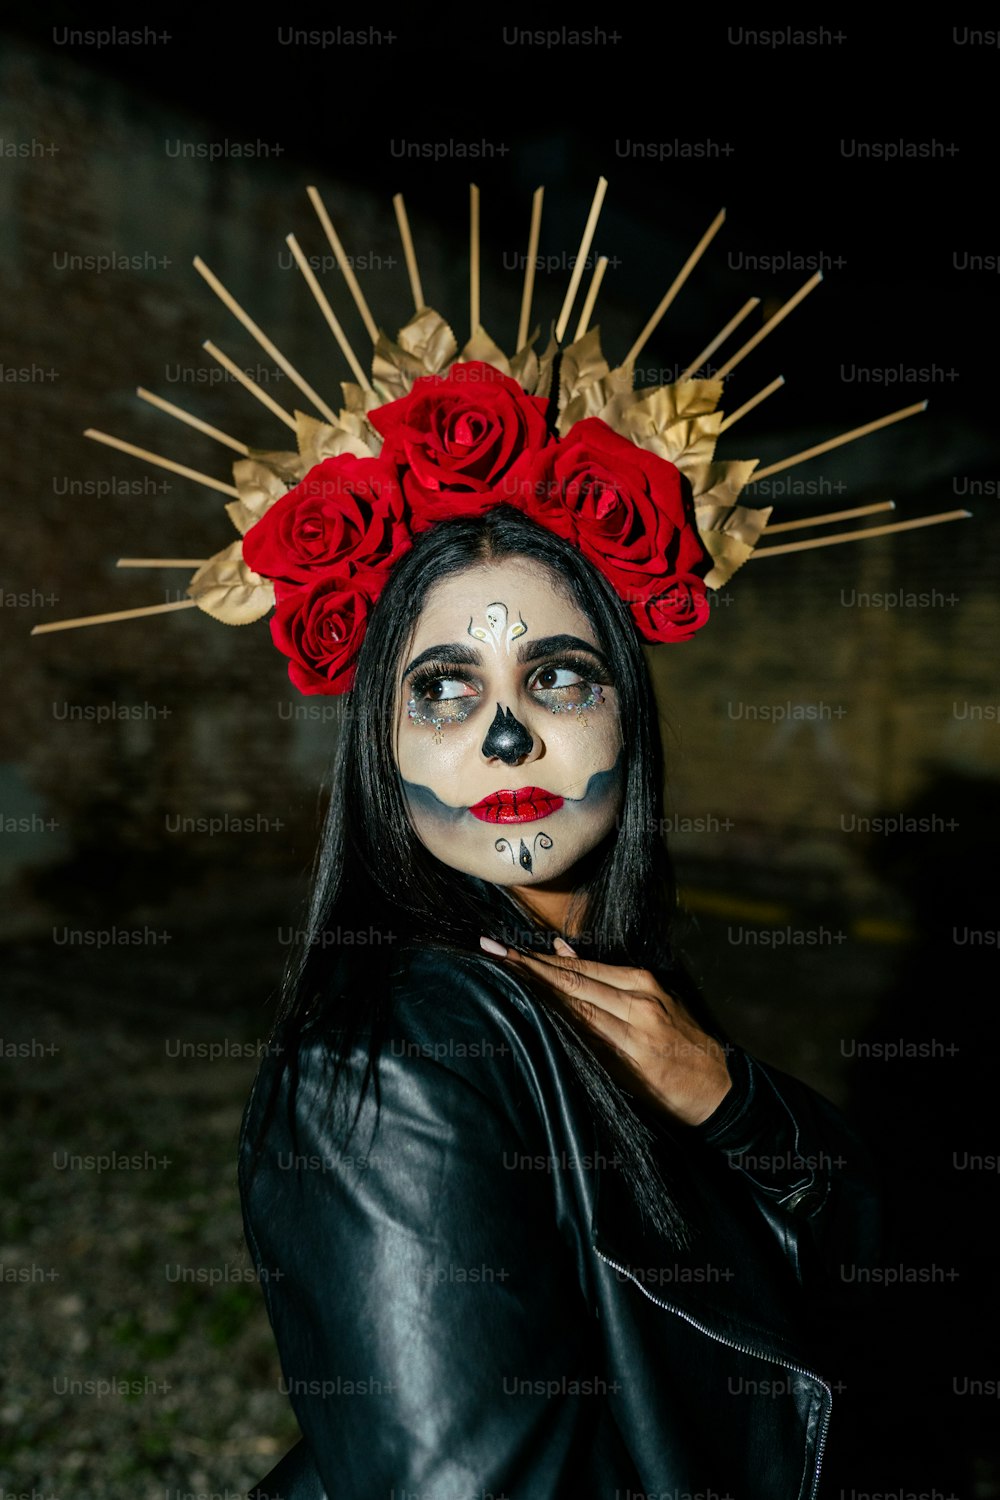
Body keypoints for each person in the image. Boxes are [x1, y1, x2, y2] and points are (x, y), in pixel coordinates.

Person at [237, 502, 880, 1500]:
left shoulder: (625, 990)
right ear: (381, 743)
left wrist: (734, 1102)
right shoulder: (397, 1058)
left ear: (629, 708)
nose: (506, 737)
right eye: (445, 689)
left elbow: (870, 1278)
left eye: (556, 678)